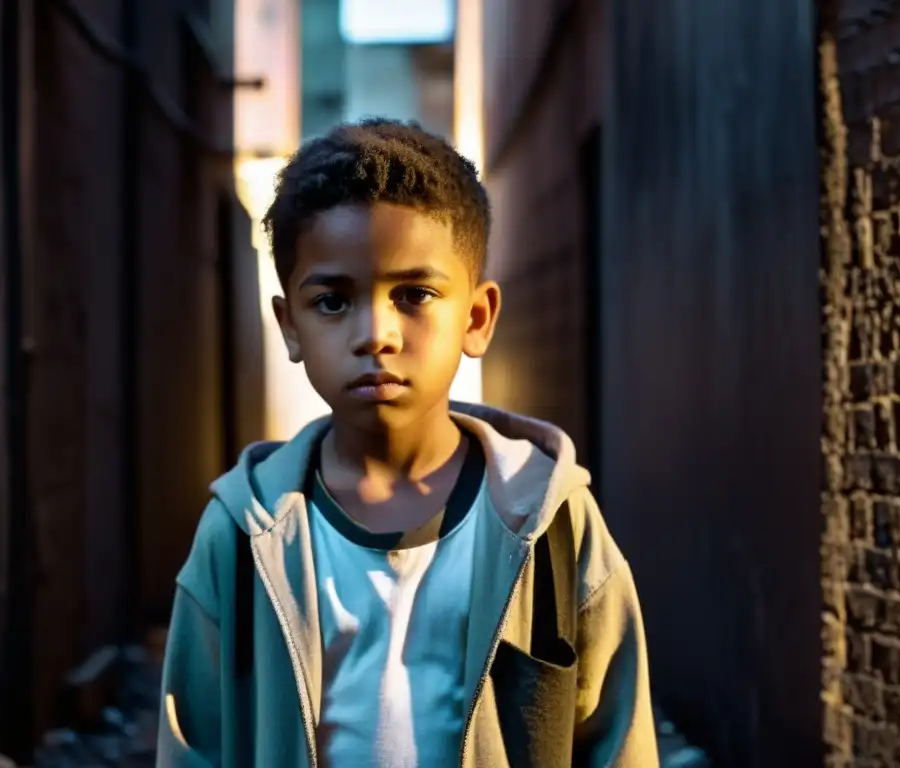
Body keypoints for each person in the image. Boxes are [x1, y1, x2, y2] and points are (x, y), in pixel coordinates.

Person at [156, 118, 659, 767]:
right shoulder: (243, 536)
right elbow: (192, 745)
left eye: (415, 295)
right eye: (333, 302)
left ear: (476, 318)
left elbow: (618, 745)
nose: (377, 335)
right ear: (289, 327)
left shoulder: (550, 522)